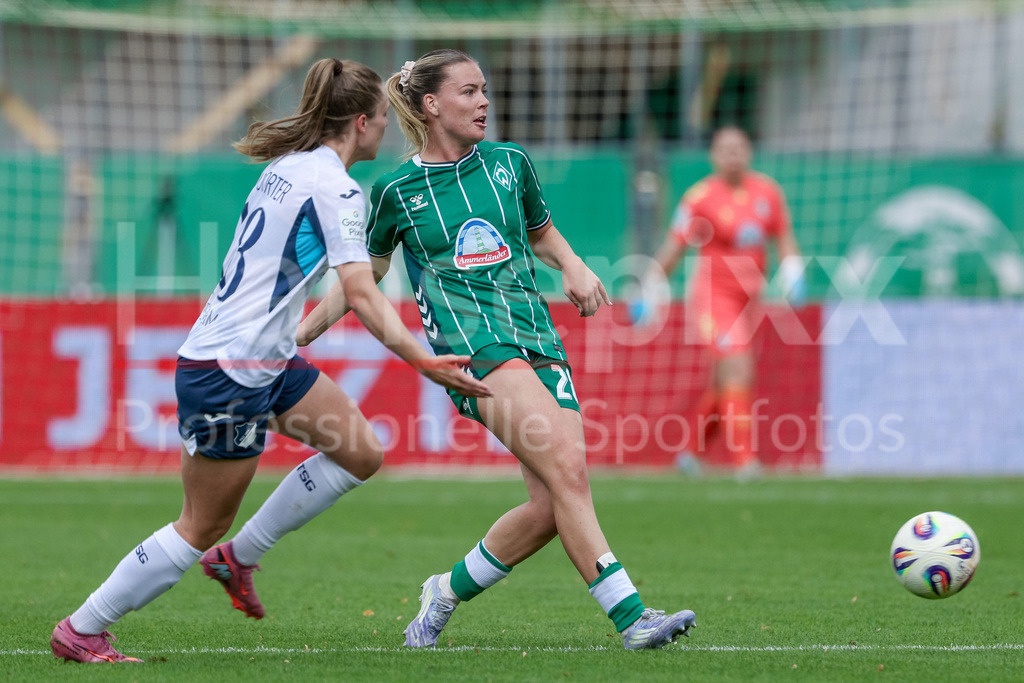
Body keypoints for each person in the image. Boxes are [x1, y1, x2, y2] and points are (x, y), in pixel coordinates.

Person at [49, 57, 490, 664]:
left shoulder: (290, 167)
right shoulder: (336, 188)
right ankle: (83, 627)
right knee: (200, 524)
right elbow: (362, 291)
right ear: (360, 122)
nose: (387, 129)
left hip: (264, 359)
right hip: (228, 371)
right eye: (383, 118)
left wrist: (299, 328)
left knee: (361, 451)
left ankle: (241, 557)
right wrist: (426, 360)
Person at [297, 49, 696, 650]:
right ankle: (631, 616)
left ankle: (445, 591)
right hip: (472, 346)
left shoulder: (511, 164)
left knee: (550, 505)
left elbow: (540, 231)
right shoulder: (396, 191)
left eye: (485, 90)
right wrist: (300, 331)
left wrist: (574, 265)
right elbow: (365, 277)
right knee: (569, 468)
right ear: (431, 105)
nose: (484, 101)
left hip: (538, 338)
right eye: (469, 92)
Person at [633, 125, 804, 476]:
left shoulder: (767, 192)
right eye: (725, 149)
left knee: (724, 379)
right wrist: (650, 284)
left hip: (750, 300)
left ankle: (691, 452)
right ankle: (746, 462)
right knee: (739, 364)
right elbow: (675, 247)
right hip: (714, 299)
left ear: (749, 152)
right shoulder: (700, 198)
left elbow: (783, 236)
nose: (733, 155)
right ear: (713, 155)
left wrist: (793, 268)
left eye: (739, 147)